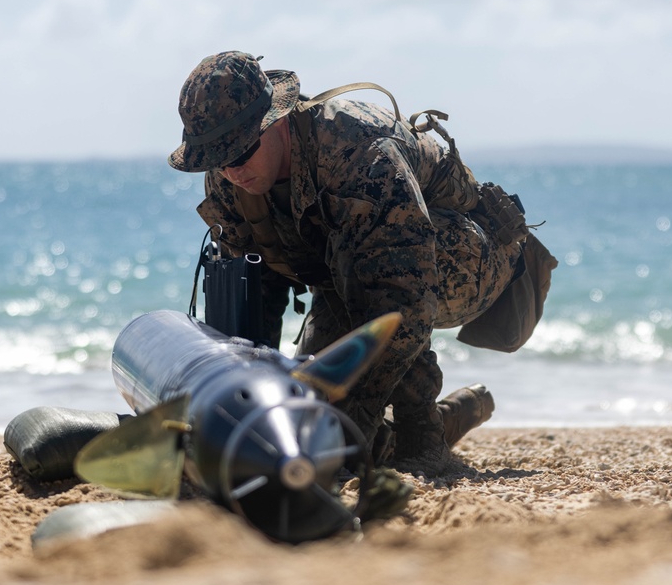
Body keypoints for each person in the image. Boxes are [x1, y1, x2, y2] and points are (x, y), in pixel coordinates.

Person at [168, 51, 554, 474]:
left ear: (275, 122)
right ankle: (450, 418)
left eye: (239, 154)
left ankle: (422, 433)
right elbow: (253, 293)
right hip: (347, 276)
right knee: (313, 406)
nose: (230, 171)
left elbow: (404, 297)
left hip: (465, 259)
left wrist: (360, 419)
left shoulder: (359, 151)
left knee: (351, 413)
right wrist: (245, 401)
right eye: (216, 160)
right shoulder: (230, 175)